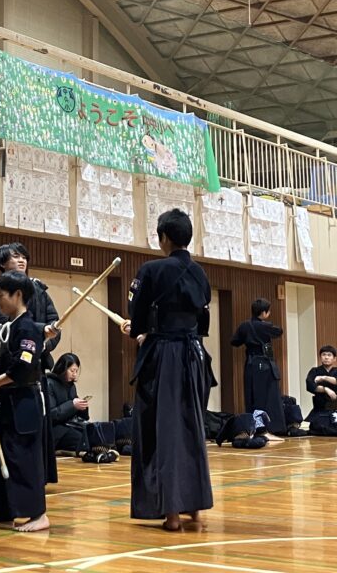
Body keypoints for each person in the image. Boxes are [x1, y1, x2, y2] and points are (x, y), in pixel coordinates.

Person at [124, 208, 213, 532]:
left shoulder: (151, 270)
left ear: (163, 237)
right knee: (191, 429)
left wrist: (138, 331)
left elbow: (137, 315)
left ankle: (171, 513)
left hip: (164, 358)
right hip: (194, 356)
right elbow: (202, 321)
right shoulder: (200, 273)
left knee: (162, 431)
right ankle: (194, 508)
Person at [0, 270, 49, 532]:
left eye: (1, 296)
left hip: (23, 402)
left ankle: (38, 514)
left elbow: (24, 367)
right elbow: (5, 366)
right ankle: (0, 510)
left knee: (22, 458)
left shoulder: (29, 328)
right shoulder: (9, 327)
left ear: (18, 295)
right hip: (4, 401)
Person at [0, 242, 60, 486]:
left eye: (24, 256)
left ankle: (33, 479)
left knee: (31, 429)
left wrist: (44, 340)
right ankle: (2, 485)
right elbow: (3, 321)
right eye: (15, 257)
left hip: (32, 368)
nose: (21, 260)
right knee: (2, 431)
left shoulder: (39, 290)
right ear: (2, 263)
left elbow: (53, 322)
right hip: (5, 366)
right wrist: (38, 332)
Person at [44, 353, 118, 463]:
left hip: (71, 424)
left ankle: (106, 450)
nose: (74, 374)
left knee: (94, 430)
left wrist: (82, 408)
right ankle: (96, 453)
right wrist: (72, 405)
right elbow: (51, 414)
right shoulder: (49, 383)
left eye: (76, 371)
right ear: (63, 369)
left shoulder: (71, 386)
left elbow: (81, 416)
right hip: (57, 430)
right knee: (81, 438)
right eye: (72, 371)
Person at [231, 298, 287, 435]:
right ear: (263, 313)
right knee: (269, 396)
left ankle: (254, 426)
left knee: (252, 395)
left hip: (251, 364)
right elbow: (279, 331)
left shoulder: (244, 326)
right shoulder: (266, 326)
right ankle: (269, 428)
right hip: (265, 364)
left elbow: (235, 341)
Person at [305, 345, 337, 417]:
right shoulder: (314, 371)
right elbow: (310, 386)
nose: (326, 357)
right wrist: (326, 389)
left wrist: (324, 377)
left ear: (334, 358)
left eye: (329, 355)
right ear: (320, 357)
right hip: (320, 405)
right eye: (324, 355)